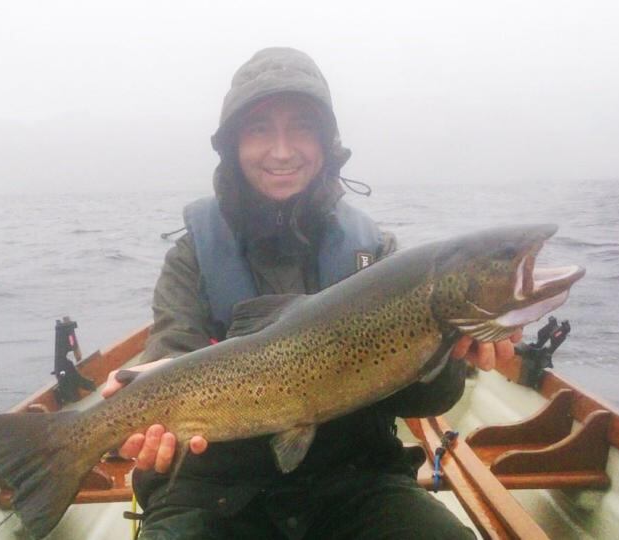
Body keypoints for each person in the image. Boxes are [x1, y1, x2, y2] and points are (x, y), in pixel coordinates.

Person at [103, 47, 521, 539]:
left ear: (326, 143)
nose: (282, 150)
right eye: (260, 129)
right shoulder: (193, 254)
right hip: (214, 491)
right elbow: (173, 348)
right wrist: (152, 389)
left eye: (300, 127)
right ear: (233, 145)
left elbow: (423, 398)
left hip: (355, 481)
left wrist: (452, 356)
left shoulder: (375, 255)